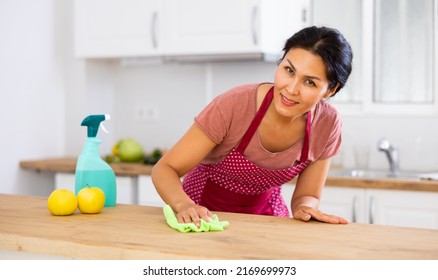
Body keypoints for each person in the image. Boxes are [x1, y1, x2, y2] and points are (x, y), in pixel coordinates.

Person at [152, 26, 353, 226]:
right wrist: (184, 205)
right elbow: (165, 169)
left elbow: (307, 195)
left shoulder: (327, 123)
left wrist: (306, 208)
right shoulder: (234, 105)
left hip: (267, 218)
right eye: (289, 70)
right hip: (202, 214)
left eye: (309, 82)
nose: (291, 89)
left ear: (331, 90)